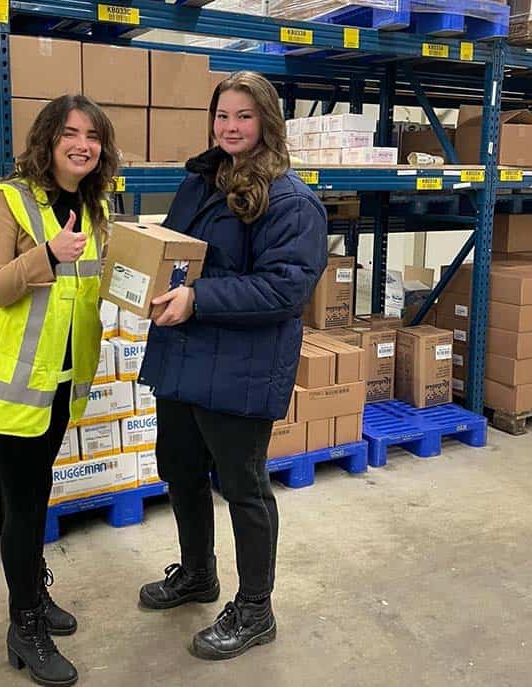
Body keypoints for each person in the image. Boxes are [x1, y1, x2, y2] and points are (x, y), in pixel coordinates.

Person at [137, 71, 328, 660]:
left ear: (267, 121)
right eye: (222, 116)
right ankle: (198, 573)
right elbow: (177, 253)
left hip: (241, 364)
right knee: (181, 470)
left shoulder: (291, 200)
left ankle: (255, 608)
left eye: (244, 116)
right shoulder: (201, 181)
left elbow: (285, 289)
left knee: (244, 487)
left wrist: (198, 298)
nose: (231, 127)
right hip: (183, 352)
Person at [0, 94, 117, 686]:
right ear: (48, 138)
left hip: (57, 383)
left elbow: (90, 287)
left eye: (93, 136)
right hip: (9, 389)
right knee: (24, 507)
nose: (82, 145)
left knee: (34, 496)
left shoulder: (95, 205)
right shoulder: (8, 199)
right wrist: (46, 254)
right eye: (70, 133)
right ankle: (24, 626)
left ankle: (31, 594)